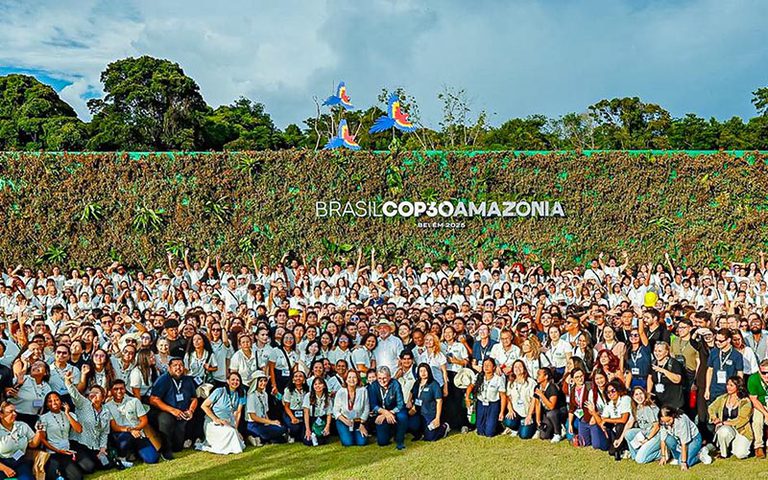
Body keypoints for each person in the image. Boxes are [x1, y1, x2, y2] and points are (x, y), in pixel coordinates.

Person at [62, 371, 112, 474]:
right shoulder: (83, 403)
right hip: (79, 443)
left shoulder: (106, 411)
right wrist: (68, 381)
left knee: (107, 464)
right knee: (90, 468)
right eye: (91, 392)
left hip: (95, 446)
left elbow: (104, 432)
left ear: (103, 397)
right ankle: (76, 461)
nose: (92, 394)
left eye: (96, 392)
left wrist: (102, 449)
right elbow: (74, 393)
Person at [148, 357, 198, 460]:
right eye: (175, 365)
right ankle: (165, 450)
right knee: (165, 420)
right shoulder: (163, 379)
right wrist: (172, 410)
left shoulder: (188, 380)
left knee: (178, 447)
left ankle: (190, 440)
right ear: (169, 368)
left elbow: (194, 399)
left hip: (182, 413)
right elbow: (153, 399)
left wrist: (191, 410)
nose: (178, 368)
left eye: (180, 365)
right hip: (166, 411)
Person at [106, 379, 159, 465]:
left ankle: (135, 452)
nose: (119, 391)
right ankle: (123, 455)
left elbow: (144, 420)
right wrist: (130, 430)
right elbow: (114, 426)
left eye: (122, 388)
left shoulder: (134, 401)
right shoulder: (107, 406)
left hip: (138, 433)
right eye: (116, 389)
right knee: (126, 438)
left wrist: (135, 429)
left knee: (152, 459)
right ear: (111, 391)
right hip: (121, 434)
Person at [38, 392, 87, 480]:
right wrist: (58, 450)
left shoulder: (69, 414)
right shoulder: (43, 418)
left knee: (88, 468)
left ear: (61, 402)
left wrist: (67, 413)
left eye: (56, 400)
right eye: (50, 401)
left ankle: (69, 467)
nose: (54, 403)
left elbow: (79, 430)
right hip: (53, 452)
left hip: (67, 450)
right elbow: (42, 439)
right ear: (46, 405)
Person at [198, 371, 245, 455]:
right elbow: (204, 406)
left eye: (237, 380)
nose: (235, 382)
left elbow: (238, 412)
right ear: (228, 381)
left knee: (233, 432)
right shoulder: (219, 391)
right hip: (213, 422)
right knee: (231, 432)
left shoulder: (241, 393)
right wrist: (216, 419)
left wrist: (236, 428)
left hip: (228, 422)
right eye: (233, 379)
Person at [707, 376, 753, 459]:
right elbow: (711, 408)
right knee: (723, 431)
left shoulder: (745, 401)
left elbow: (742, 420)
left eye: (731, 385)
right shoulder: (723, 398)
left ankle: (735, 446)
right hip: (726, 428)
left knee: (741, 454)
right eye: (727, 384)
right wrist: (714, 418)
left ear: (738, 387)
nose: (728, 387)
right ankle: (724, 453)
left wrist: (724, 422)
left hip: (741, 430)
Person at [655, 406, 712, 470]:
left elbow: (684, 444)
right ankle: (679, 457)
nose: (667, 424)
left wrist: (683, 462)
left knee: (684, 462)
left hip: (693, 439)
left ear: (673, 415)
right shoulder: (663, 422)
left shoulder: (682, 420)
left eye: (668, 421)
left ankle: (700, 455)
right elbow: (662, 440)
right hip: (679, 441)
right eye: (664, 422)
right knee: (668, 439)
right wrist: (663, 456)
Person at [0, 401, 43, 480]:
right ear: (1, 415)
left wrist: (38, 432)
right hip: (2, 463)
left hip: (20, 461)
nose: (15, 414)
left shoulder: (22, 425)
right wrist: (5, 469)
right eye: (10, 412)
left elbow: (33, 444)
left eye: (15, 411)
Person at [590, 379, 631, 460]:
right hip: (615, 429)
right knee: (611, 452)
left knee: (619, 425)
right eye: (608, 392)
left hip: (628, 426)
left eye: (613, 391)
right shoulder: (609, 404)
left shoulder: (625, 399)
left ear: (618, 390)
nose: (611, 394)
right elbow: (602, 421)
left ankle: (624, 449)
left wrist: (608, 420)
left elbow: (623, 420)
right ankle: (617, 448)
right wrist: (594, 412)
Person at [367, 366, 407, 449]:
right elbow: (373, 405)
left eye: (384, 378)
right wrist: (385, 413)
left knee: (402, 416)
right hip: (381, 413)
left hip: (395, 411)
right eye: (379, 378)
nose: (382, 381)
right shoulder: (373, 386)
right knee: (382, 442)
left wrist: (390, 412)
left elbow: (400, 404)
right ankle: (389, 433)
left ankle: (400, 440)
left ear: (389, 376)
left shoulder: (395, 384)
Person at [245, 371, 287, 446]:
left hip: (263, 423)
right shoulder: (251, 396)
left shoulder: (265, 394)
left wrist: (269, 423)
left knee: (282, 428)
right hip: (254, 424)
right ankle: (260, 437)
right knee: (279, 431)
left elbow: (265, 412)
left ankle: (263, 439)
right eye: (261, 381)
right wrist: (271, 422)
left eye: (265, 381)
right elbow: (253, 417)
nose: (263, 383)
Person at [466, 358, 505, 437]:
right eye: (484, 365)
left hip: (493, 405)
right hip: (481, 403)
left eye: (489, 365)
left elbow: (503, 396)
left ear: (494, 367)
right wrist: (467, 397)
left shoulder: (498, 379)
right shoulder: (479, 376)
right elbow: (470, 386)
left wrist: (502, 412)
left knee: (489, 433)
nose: (486, 367)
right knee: (480, 432)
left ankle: (497, 426)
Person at [408, 363, 448, 441]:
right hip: (418, 412)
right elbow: (411, 392)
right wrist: (409, 401)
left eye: (425, 371)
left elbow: (439, 401)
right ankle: (419, 434)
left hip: (429, 414)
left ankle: (443, 427)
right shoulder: (417, 383)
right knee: (410, 423)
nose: (423, 373)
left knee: (430, 438)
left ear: (429, 371)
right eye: (421, 371)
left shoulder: (434, 384)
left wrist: (437, 418)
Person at [622, 387, 661, 464]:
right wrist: (620, 439)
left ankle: (660, 453)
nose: (639, 396)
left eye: (641, 393)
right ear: (633, 397)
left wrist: (647, 439)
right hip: (645, 432)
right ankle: (636, 455)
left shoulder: (649, 407)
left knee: (640, 460)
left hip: (656, 435)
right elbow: (629, 423)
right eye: (636, 394)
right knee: (628, 433)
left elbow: (656, 426)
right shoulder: (637, 408)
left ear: (645, 394)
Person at [8, 360, 52, 427]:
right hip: (16, 415)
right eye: (34, 365)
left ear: (45, 372)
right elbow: (7, 393)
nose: (36, 366)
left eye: (40, 365)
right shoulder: (22, 379)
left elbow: (45, 405)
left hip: (33, 418)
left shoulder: (47, 387)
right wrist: (18, 384)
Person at [705, 328, 744, 403]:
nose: (717, 343)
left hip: (728, 391)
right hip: (714, 390)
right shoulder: (714, 352)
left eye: (721, 341)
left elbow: (740, 374)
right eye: (716, 340)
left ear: (728, 340)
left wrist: (738, 391)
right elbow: (710, 370)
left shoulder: (737, 355)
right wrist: (707, 389)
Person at [333, 369, 369, 446]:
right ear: (345, 380)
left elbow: (366, 409)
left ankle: (356, 432)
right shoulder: (341, 392)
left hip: (358, 421)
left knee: (362, 443)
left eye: (354, 377)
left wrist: (362, 424)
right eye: (349, 377)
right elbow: (335, 411)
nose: (352, 380)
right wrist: (345, 421)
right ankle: (347, 433)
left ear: (358, 379)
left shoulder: (363, 391)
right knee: (348, 443)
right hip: (344, 420)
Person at [503, 360, 536, 439]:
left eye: (520, 366)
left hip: (528, 413)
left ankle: (533, 428)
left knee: (524, 435)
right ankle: (515, 428)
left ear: (524, 368)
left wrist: (529, 415)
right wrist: (510, 409)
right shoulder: (511, 382)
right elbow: (508, 398)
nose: (517, 368)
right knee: (508, 421)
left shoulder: (531, 382)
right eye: (515, 367)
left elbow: (534, 400)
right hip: (516, 412)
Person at [649, 342, 685, 410]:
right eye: (655, 351)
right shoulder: (653, 363)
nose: (657, 353)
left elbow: (677, 379)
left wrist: (663, 371)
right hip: (659, 401)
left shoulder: (673, 363)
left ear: (666, 352)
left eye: (660, 351)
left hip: (673, 402)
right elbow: (650, 377)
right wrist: (649, 393)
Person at [534, 367, 565, 442]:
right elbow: (537, 404)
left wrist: (542, 395)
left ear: (546, 376)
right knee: (544, 436)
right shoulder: (538, 387)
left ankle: (558, 433)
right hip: (547, 413)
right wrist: (538, 420)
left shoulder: (552, 388)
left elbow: (551, 406)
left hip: (559, 411)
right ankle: (552, 429)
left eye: (539, 374)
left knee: (551, 414)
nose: (537, 376)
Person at [302, 377, 332, 447]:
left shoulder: (327, 397)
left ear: (324, 385)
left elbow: (329, 414)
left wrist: (327, 427)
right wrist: (308, 429)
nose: (317, 386)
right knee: (308, 441)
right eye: (315, 384)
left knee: (323, 441)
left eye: (320, 384)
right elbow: (306, 413)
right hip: (311, 420)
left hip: (322, 420)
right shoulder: (308, 396)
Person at [747, 359, 768, 458]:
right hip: (759, 404)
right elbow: (754, 399)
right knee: (757, 420)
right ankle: (758, 446)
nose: (766, 375)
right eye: (764, 373)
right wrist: (766, 413)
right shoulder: (753, 379)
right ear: (759, 371)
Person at [281, 370, 307, 443]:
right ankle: (289, 433)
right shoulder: (288, 390)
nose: (298, 378)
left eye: (300, 376)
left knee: (303, 433)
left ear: (304, 379)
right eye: (296, 376)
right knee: (295, 427)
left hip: (303, 412)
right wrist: (293, 418)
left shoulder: (307, 390)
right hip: (290, 412)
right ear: (292, 379)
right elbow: (286, 407)